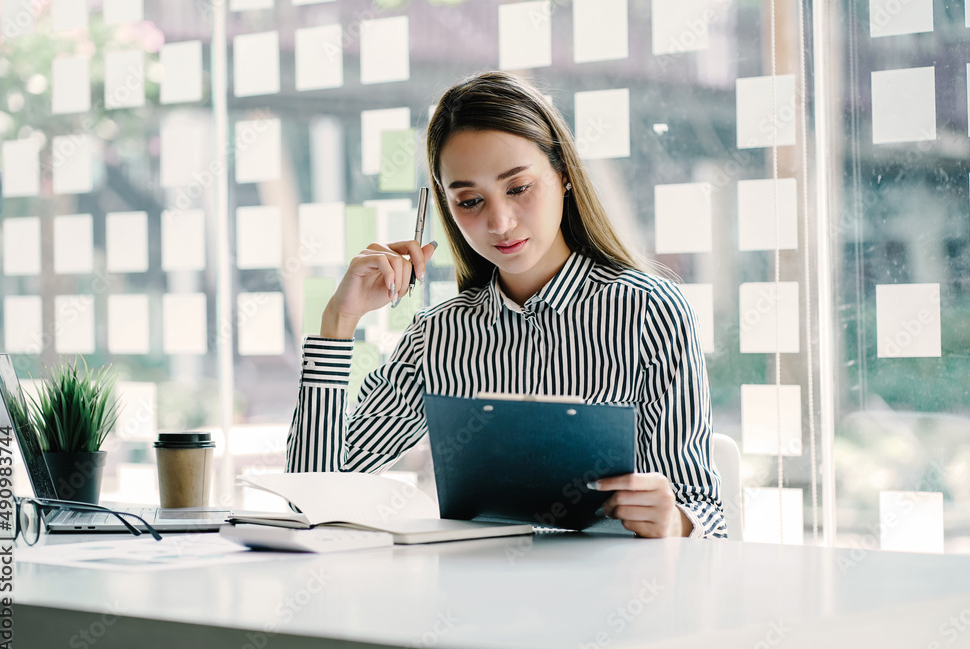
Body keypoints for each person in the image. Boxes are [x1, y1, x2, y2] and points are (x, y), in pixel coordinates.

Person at [286, 71, 727, 539]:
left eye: (518, 188)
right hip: (470, 602)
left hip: (613, 600)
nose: (499, 222)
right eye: (470, 200)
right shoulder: (440, 336)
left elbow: (707, 515)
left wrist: (677, 521)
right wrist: (338, 324)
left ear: (563, 175)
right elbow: (313, 497)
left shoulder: (649, 312)